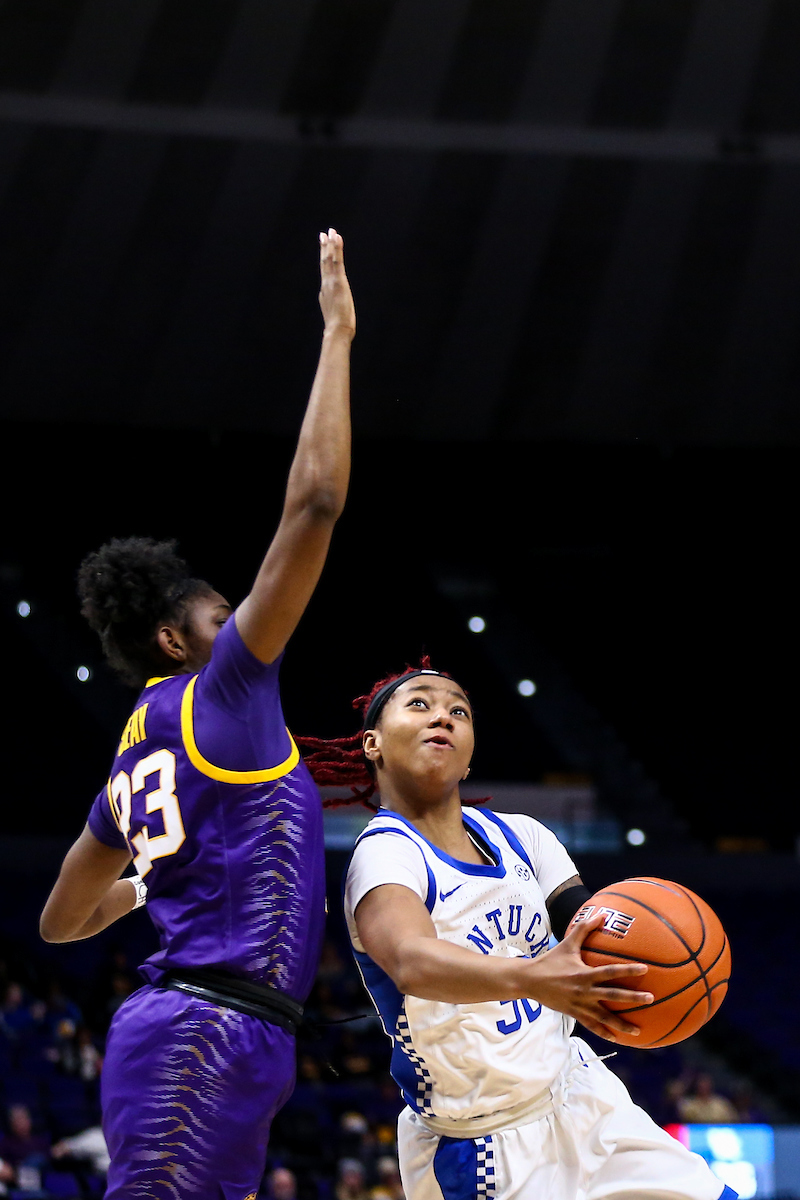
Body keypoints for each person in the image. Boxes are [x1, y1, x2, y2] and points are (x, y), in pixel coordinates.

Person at [39, 229, 356, 1200]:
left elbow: (61, 920)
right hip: (203, 1030)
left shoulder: (132, 753)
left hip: (220, 1028)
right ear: (175, 640)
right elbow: (314, 504)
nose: (246, 622)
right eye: (224, 615)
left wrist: (144, 886)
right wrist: (337, 336)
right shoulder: (226, 688)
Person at [299, 663, 738, 1200]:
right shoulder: (385, 854)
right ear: (373, 744)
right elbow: (411, 961)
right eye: (419, 704)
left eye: (459, 711)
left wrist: (646, 980)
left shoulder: (523, 836)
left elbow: (591, 932)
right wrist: (534, 978)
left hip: (582, 1095)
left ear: (469, 753)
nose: (443, 716)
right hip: (483, 1142)